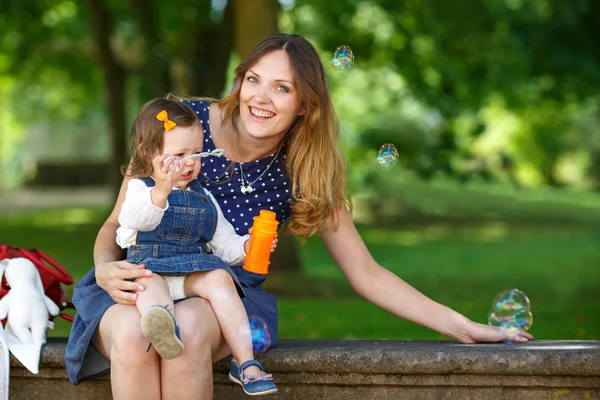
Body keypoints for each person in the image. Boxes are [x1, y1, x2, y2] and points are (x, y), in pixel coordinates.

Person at [65, 33, 533, 400]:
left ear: (305, 105)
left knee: (182, 333)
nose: (260, 98)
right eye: (254, 80)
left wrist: (462, 326)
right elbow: (114, 225)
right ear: (240, 80)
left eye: (282, 87)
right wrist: (106, 268)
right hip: (139, 277)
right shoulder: (183, 124)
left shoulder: (305, 170)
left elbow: (366, 273)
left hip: (221, 295)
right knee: (131, 335)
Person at [112, 97, 277, 396]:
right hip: (151, 268)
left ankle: (246, 363)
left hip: (191, 271)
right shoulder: (141, 187)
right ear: (149, 154)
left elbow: (223, 243)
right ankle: (164, 330)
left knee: (221, 278)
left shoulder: (204, 197)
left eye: (197, 153)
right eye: (179, 154)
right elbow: (134, 220)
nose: (190, 162)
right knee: (147, 288)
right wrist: (161, 190)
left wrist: (248, 245)